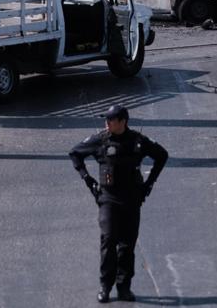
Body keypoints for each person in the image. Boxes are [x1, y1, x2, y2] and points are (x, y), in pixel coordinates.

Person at [69, 105, 168, 303]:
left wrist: (148, 185)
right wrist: (88, 180)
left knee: (127, 245)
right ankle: (105, 286)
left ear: (123, 121)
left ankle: (124, 287)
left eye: (111, 120)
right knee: (108, 239)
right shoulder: (101, 140)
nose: (107, 123)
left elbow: (162, 155)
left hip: (132, 199)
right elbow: (75, 153)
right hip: (108, 198)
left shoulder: (138, 141)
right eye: (106, 119)